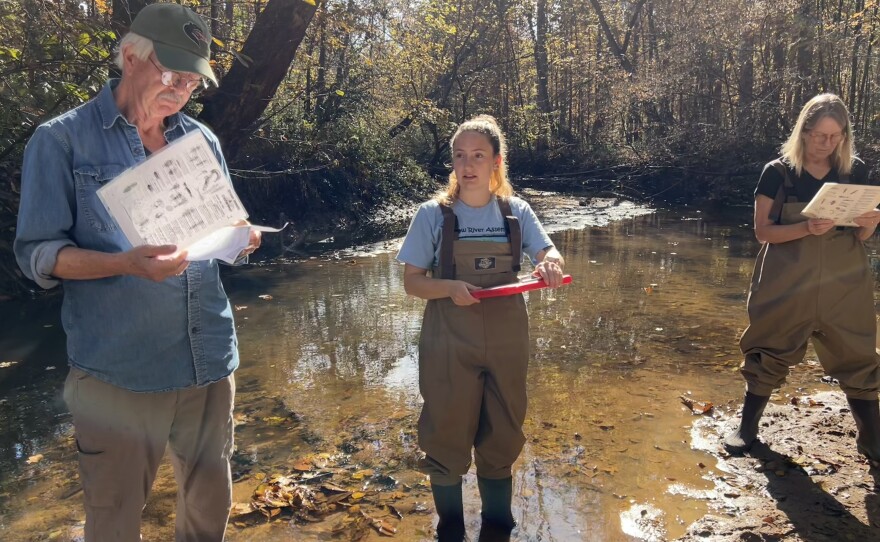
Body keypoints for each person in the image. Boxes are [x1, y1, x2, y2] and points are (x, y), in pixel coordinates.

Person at [13, 4, 260, 541]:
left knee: (208, 510)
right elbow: (38, 255)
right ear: (130, 56)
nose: (180, 90)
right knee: (115, 518)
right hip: (119, 372)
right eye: (171, 74)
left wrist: (241, 237)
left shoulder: (201, 142)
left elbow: (222, 226)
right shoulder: (60, 142)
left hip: (209, 360)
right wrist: (124, 263)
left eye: (192, 80)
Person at [396, 115, 565, 541]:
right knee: (445, 430)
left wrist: (550, 262)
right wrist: (450, 287)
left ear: (496, 162)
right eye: (459, 156)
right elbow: (412, 282)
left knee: (504, 430)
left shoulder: (517, 212)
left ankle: (497, 524)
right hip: (449, 340)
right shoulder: (433, 215)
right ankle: (450, 526)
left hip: (508, 340)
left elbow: (548, 251)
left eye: (477, 155)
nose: (467, 165)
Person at [724, 93, 880, 465]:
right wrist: (807, 227)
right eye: (820, 136)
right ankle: (747, 429)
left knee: (857, 353)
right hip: (786, 280)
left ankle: (872, 439)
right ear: (804, 131)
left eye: (836, 136)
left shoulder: (854, 171)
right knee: (769, 348)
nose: (827, 145)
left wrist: (868, 225)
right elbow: (763, 232)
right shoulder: (776, 172)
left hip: (846, 281)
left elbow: (860, 237)